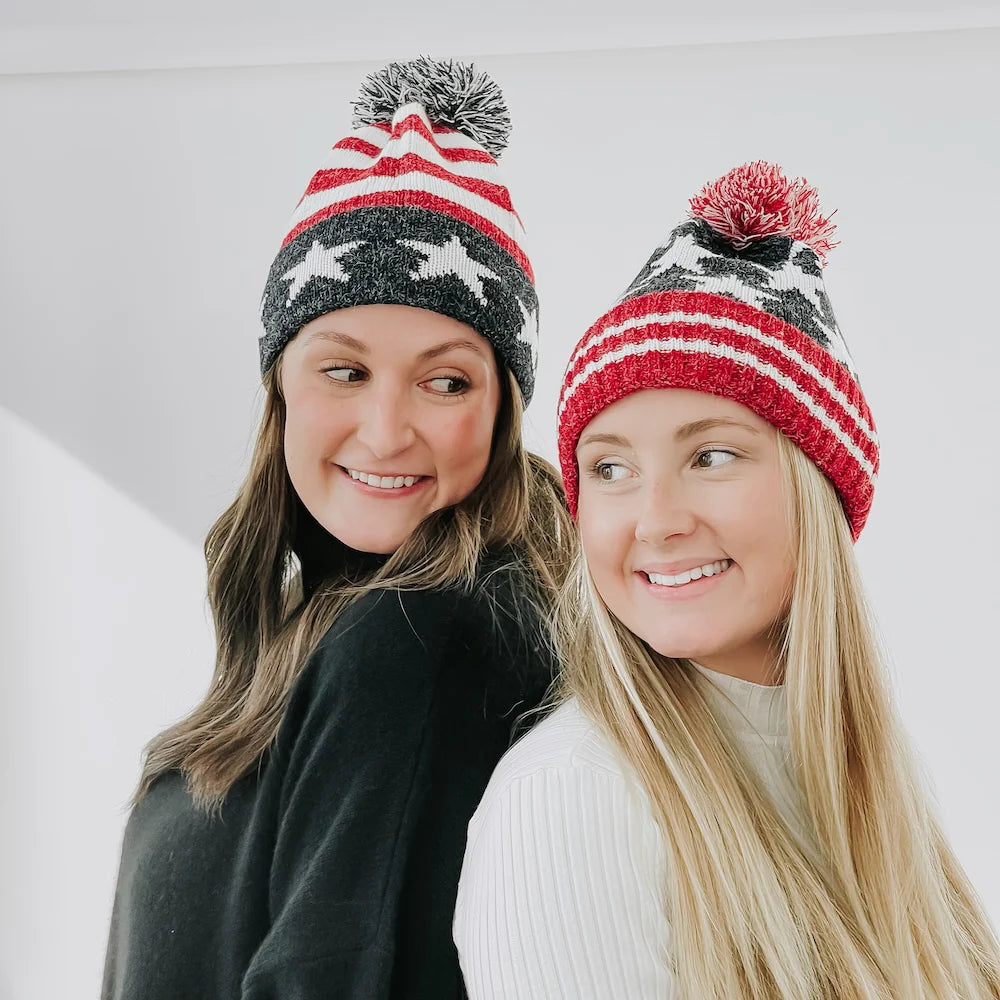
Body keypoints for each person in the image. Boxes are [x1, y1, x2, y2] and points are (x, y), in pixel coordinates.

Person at [455, 162, 1000, 999]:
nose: (656, 520)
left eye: (711, 456)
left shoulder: (873, 780)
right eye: (610, 469)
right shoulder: (572, 796)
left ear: (819, 491)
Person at [102, 56, 574, 1000]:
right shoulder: (324, 621)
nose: (387, 431)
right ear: (281, 385)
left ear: (501, 412)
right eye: (344, 371)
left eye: (446, 380)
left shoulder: (417, 635)